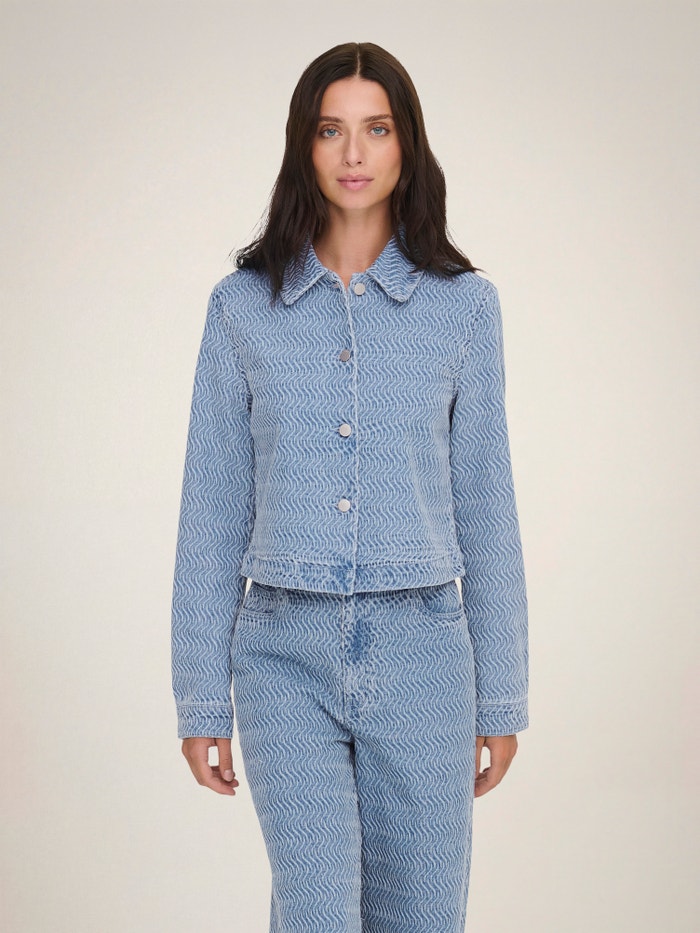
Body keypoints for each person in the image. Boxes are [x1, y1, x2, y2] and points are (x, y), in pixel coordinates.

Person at [172, 41, 529, 933]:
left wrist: (502, 696)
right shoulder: (240, 307)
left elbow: (488, 506)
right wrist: (200, 695)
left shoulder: (464, 308)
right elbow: (211, 509)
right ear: (305, 144)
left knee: (423, 915)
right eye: (332, 130)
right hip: (281, 654)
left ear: (409, 144)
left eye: (378, 129)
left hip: (426, 652)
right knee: (315, 913)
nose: (355, 153)